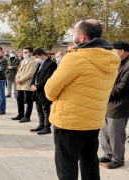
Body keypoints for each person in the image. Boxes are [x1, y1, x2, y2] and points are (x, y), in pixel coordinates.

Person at [45, 19, 120, 180]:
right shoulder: (112, 59)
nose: (72, 36)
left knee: (67, 165)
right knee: (90, 162)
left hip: (69, 121)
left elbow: (50, 90)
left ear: (82, 37)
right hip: (93, 120)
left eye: (73, 33)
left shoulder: (76, 58)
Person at [99, 40, 129, 169]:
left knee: (115, 134)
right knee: (105, 131)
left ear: (121, 51)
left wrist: (104, 92)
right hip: (107, 103)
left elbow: (123, 87)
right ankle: (108, 153)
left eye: (113, 51)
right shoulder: (116, 63)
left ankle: (118, 158)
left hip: (118, 105)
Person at [30, 48, 57, 135]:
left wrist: (36, 86)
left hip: (44, 89)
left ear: (42, 55)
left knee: (46, 109)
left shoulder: (51, 64)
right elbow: (35, 74)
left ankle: (47, 127)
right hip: (37, 90)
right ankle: (41, 125)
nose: (36, 59)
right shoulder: (39, 63)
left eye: (37, 57)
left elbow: (47, 78)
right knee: (39, 108)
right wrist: (32, 84)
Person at [12, 46, 37, 122]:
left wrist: (21, 79)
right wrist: (17, 78)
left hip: (27, 83)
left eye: (26, 52)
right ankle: (20, 114)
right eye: (23, 52)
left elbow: (31, 73)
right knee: (19, 99)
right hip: (20, 83)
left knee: (29, 101)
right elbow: (19, 70)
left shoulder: (33, 61)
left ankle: (27, 116)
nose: (24, 54)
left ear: (31, 53)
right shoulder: (23, 61)